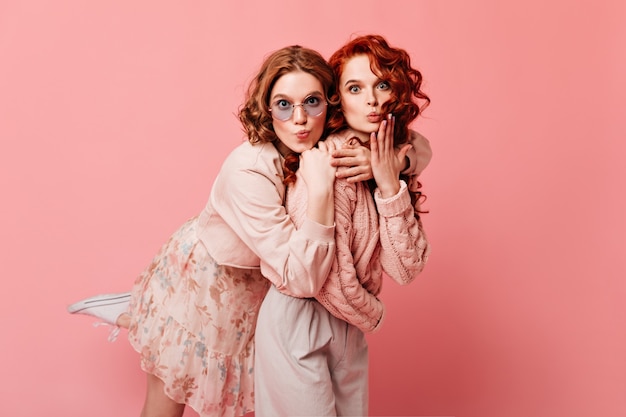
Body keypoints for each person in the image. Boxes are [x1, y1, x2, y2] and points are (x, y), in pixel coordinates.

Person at [69, 45, 341, 417]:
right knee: (166, 403)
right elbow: (303, 278)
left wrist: (403, 158)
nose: (300, 119)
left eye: (311, 102)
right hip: (205, 282)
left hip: (257, 291)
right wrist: (323, 191)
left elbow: (411, 144)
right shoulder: (247, 171)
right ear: (267, 108)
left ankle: (137, 308)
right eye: (283, 104)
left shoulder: (325, 145)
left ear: (329, 102)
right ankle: (140, 310)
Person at [253, 34, 432, 416]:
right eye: (355, 87)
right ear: (339, 98)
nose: (372, 99)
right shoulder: (330, 162)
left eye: (382, 84)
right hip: (301, 316)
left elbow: (406, 267)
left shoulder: (389, 157)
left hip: (347, 324)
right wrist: (373, 315)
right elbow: (324, 277)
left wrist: (389, 181)